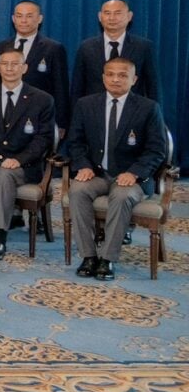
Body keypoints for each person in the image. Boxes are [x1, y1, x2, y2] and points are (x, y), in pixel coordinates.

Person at [65, 57, 167, 281]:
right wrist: (83, 165)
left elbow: (156, 150)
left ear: (134, 79)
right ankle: (88, 256)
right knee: (77, 190)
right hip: (97, 173)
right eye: (110, 74)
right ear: (103, 78)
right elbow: (75, 142)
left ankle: (107, 258)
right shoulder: (86, 104)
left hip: (131, 178)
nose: (115, 79)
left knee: (121, 196)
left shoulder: (148, 108)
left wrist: (134, 172)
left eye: (122, 75)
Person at [0, 48, 54, 261]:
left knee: (4, 175)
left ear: (24, 68)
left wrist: (19, 159)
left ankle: (0, 236)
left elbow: (43, 139)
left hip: (25, 164)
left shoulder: (42, 99)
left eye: (15, 64)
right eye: (5, 64)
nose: (9, 68)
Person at [0, 0, 71, 138]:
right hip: (5, 114)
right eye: (19, 16)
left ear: (39, 19)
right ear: (13, 19)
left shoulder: (53, 48)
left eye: (29, 16)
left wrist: (61, 122)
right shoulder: (1, 47)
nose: (24, 20)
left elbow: (60, 88)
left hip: (39, 116)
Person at [72, 0, 159, 102]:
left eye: (118, 13)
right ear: (100, 16)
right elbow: (77, 87)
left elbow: (153, 86)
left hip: (133, 109)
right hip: (94, 109)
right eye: (107, 13)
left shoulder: (143, 47)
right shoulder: (86, 47)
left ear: (129, 16)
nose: (112, 18)